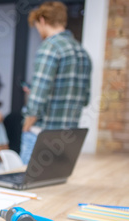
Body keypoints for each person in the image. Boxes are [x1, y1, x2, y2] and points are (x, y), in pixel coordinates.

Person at [21, 1, 91, 164]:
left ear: (43, 20)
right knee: (54, 185)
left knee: (26, 185)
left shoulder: (49, 48)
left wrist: (26, 127)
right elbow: (86, 99)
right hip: (68, 136)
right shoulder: (82, 53)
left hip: (42, 133)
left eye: (37, 26)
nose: (38, 31)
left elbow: (37, 99)